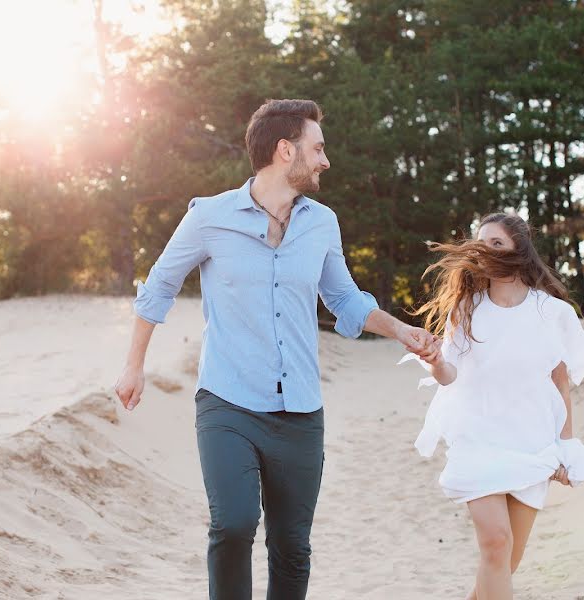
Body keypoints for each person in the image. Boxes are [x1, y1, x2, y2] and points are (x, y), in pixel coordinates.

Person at [114, 98, 434, 600]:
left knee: (291, 547)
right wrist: (133, 367)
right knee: (235, 523)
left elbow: (345, 299)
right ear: (286, 151)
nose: (326, 160)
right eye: (318, 148)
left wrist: (403, 331)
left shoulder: (321, 223)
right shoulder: (210, 217)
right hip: (228, 401)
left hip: (300, 409)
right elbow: (158, 287)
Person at [401, 212, 584, 600]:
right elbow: (449, 376)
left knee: (505, 562)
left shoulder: (552, 313)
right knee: (496, 545)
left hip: (531, 443)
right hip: (477, 438)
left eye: (496, 242)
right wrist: (434, 361)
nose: (485, 248)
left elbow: (560, 385)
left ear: (519, 249)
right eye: (482, 242)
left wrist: (567, 446)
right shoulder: (466, 309)